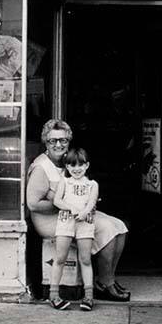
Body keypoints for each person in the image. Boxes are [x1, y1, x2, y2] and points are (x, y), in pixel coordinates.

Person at [26, 119, 130, 301]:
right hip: (51, 219)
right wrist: (64, 204)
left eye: (63, 140)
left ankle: (106, 278)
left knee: (119, 226)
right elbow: (33, 204)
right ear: (46, 142)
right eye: (53, 141)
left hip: (72, 214)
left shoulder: (69, 161)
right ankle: (105, 284)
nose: (58, 145)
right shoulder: (41, 167)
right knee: (107, 228)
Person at [49, 148, 98, 311]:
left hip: (85, 223)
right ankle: (54, 295)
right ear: (67, 167)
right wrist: (71, 209)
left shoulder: (92, 184)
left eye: (80, 165)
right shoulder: (65, 181)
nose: (76, 168)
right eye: (72, 165)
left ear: (87, 165)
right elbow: (57, 200)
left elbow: (91, 203)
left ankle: (88, 296)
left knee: (85, 259)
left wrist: (84, 213)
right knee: (60, 258)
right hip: (66, 222)